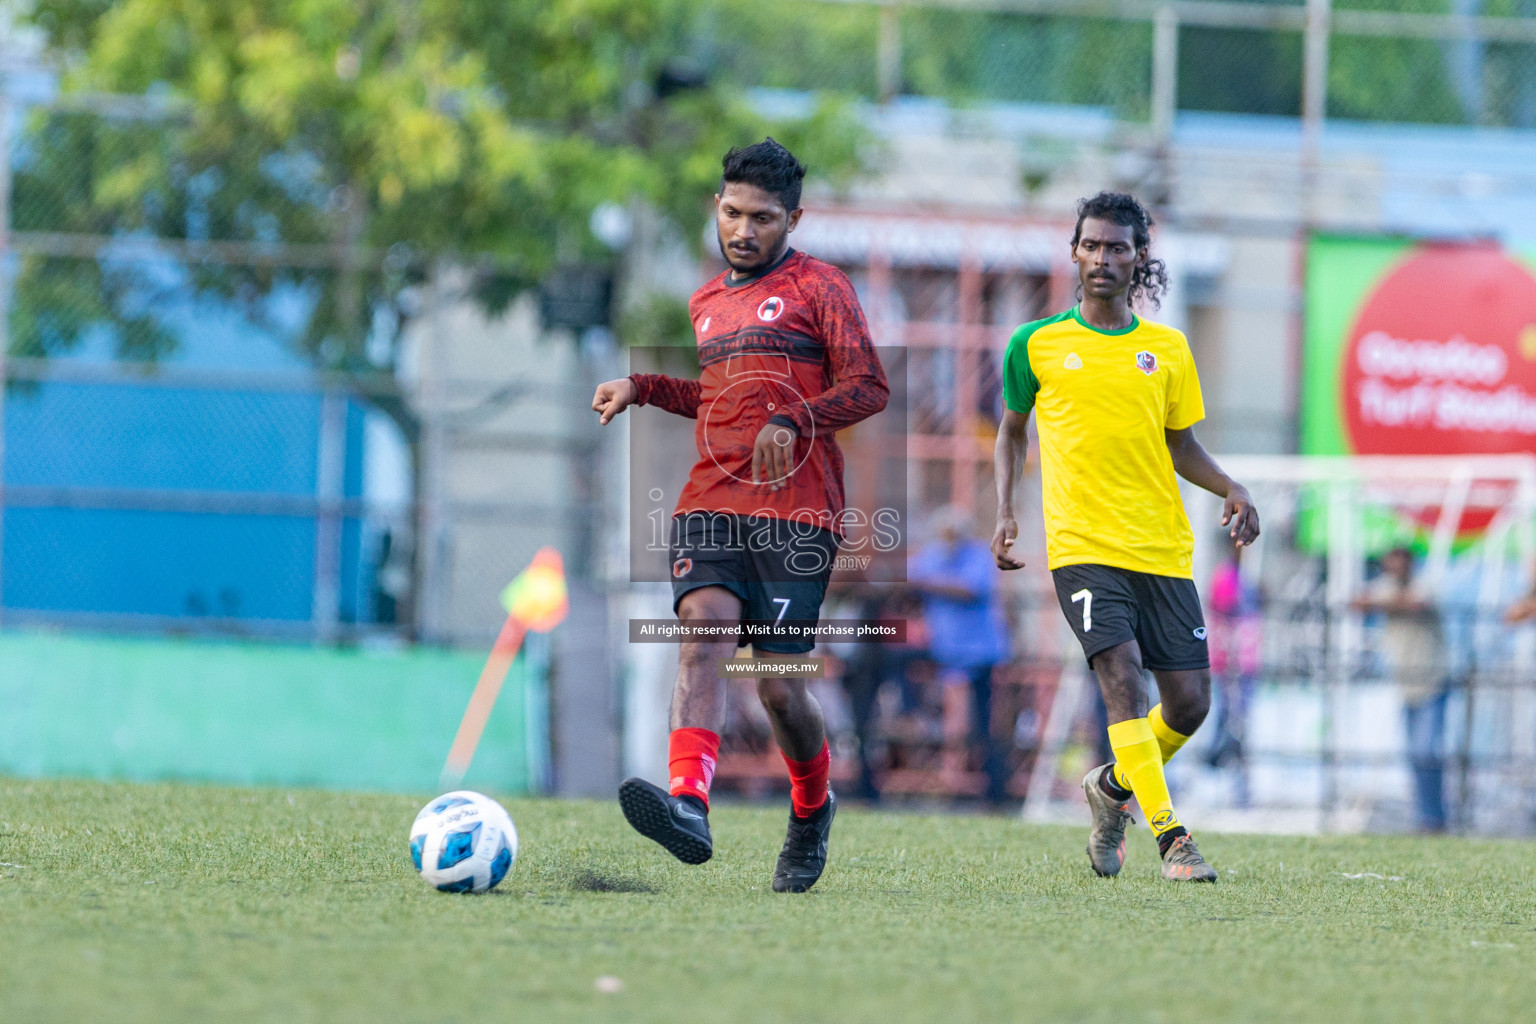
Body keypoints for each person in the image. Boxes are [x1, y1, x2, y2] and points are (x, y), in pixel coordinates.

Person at [591, 138, 889, 892]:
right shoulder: (705, 302)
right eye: (731, 213)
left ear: (793, 217)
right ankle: (689, 803)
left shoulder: (823, 287)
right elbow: (719, 400)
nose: (743, 229)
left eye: (762, 217)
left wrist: (794, 418)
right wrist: (647, 386)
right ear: (715, 210)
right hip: (712, 500)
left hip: (799, 515)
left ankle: (811, 807)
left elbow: (869, 387)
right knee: (703, 633)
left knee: (780, 687)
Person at [991, 191, 1260, 883]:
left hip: (1161, 548)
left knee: (1192, 705)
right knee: (1120, 680)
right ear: (1074, 251)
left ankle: (1112, 789)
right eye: (1091, 245)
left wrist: (1231, 487)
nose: (1103, 258)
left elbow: (1182, 446)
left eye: (1118, 247)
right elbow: (1010, 432)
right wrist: (1005, 512)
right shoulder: (1036, 344)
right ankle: (1172, 838)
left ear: (1140, 256)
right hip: (1082, 549)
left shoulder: (1166, 350)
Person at [909, 506, 1012, 805]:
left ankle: (994, 792)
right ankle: (939, 779)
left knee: (986, 723)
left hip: (981, 653)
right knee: (937, 715)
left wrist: (925, 583)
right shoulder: (930, 556)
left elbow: (971, 589)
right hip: (943, 652)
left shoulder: (978, 556)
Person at [1354, 546, 1450, 833]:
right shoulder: (1386, 587)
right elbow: (1358, 602)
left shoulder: (1426, 584)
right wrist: (1385, 600)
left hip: (1433, 681)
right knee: (1416, 754)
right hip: (1406, 684)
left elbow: (1418, 603)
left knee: (1426, 752)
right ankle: (1427, 817)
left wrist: (1384, 602)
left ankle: (1433, 818)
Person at [1203, 542, 1262, 806]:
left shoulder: (1245, 576)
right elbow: (1224, 611)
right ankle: (1220, 778)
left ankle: (1237, 786)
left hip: (1244, 662)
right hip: (1230, 664)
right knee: (1229, 723)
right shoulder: (1226, 576)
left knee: (1237, 724)